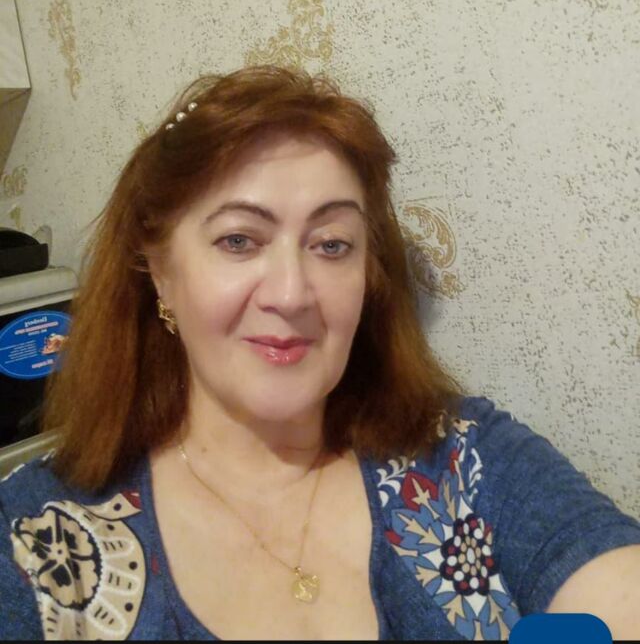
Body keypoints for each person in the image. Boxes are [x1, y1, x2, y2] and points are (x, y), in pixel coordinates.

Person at [0, 65, 638, 641]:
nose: (291, 294)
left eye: (332, 244)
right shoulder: (32, 538)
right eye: (239, 240)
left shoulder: (469, 459)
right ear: (160, 273)